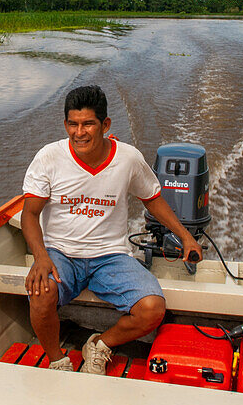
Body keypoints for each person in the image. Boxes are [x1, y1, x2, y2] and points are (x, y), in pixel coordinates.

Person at [22, 85, 202, 374]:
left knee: (153, 308)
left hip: (110, 256)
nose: (79, 133)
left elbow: (153, 200)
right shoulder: (49, 157)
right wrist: (41, 257)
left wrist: (185, 236)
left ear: (105, 125)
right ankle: (58, 360)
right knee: (40, 293)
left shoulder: (128, 159)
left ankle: (101, 345)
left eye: (88, 124)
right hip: (61, 254)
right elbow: (30, 215)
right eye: (73, 124)